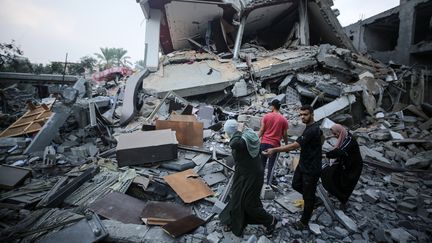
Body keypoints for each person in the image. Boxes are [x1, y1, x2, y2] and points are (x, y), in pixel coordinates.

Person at [263, 105, 322, 229]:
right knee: (295, 184)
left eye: (305, 114)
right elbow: (322, 138)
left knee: (308, 196)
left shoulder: (312, 130)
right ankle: (314, 200)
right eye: (300, 115)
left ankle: (304, 222)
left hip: (311, 167)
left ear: (312, 114)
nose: (302, 117)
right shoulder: (310, 128)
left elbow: (294, 146)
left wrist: (274, 149)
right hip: (304, 163)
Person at [219, 119, 278, 237]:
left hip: (252, 175)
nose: (228, 136)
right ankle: (234, 220)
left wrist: (238, 131)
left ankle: (270, 220)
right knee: (236, 197)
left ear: (233, 132)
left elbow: (234, 144)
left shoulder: (243, 139)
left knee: (249, 203)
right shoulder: (248, 135)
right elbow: (252, 151)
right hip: (242, 173)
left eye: (228, 133)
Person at [321, 124, 363, 208]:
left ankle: (343, 201)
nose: (335, 136)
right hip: (344, 164)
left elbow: (340, 152)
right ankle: (334, 192)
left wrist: (326, 155)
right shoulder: (344, 138)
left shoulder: (349, 140)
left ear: (340, 132)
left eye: (336, 134)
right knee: (329, 173)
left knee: (347, 184)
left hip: (353, 167)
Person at [258, 99, 289, 185]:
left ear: (273, 106)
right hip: (275, 146)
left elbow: (262, 130)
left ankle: (258, 183)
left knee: (262, 164)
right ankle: (269, 184)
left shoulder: (266, 116)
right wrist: (286, 147)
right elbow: (285, 135)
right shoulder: (284, 119)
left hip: (264, 143)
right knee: (271, 166)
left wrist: (256, 140)